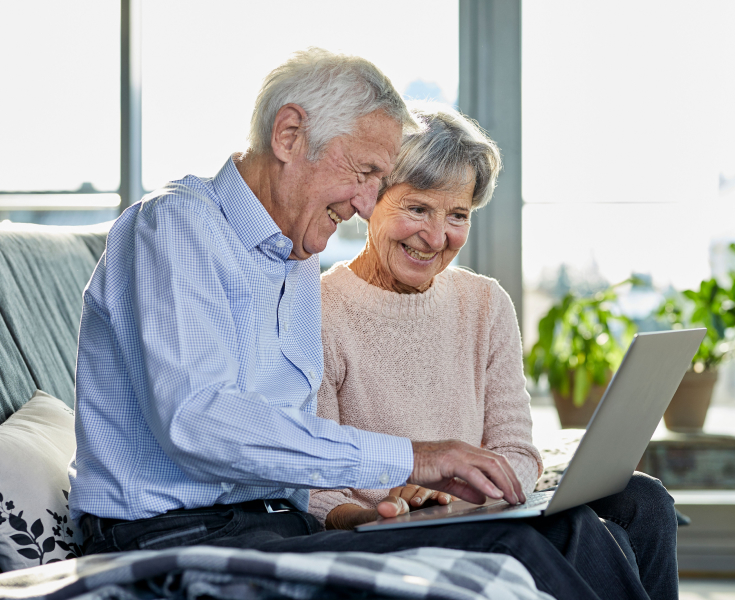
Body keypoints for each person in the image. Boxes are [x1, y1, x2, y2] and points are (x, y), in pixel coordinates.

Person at [68, 48, 651, 600]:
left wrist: (374, 514)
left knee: (592, 522)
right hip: (174, 537)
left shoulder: (292, 259)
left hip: (276, 525)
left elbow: (290, 445)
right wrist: (414, 457)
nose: (371, 204)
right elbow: (199, 423)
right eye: (367, 172)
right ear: (290, 135)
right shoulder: (174, 228)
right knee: (514, 543)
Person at [310, 102, 679, 600]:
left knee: (646, 499)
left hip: (481, 508)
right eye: (417, 208)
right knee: (597, 539)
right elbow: (311, 484)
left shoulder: (484, 302)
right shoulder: (319, 310)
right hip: (391, 526)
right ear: (373, 198)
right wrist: (375, 511)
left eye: (457, 215)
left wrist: (477, 493)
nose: (437, 237)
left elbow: (516, 449)